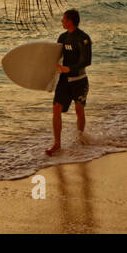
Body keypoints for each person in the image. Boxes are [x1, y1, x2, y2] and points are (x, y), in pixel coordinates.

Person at [46, 9, 91, 156]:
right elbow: (56, 58)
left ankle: (80, 137)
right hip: (64, 82)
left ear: (70, 21)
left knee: (79, 110)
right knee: (56, 108)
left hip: (79, 81)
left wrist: (68, 69)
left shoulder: (83, 38)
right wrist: (48, 78)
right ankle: (57, 144)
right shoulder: (62, 38)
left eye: (63, 19)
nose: (61, 21)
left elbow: (86, 61)